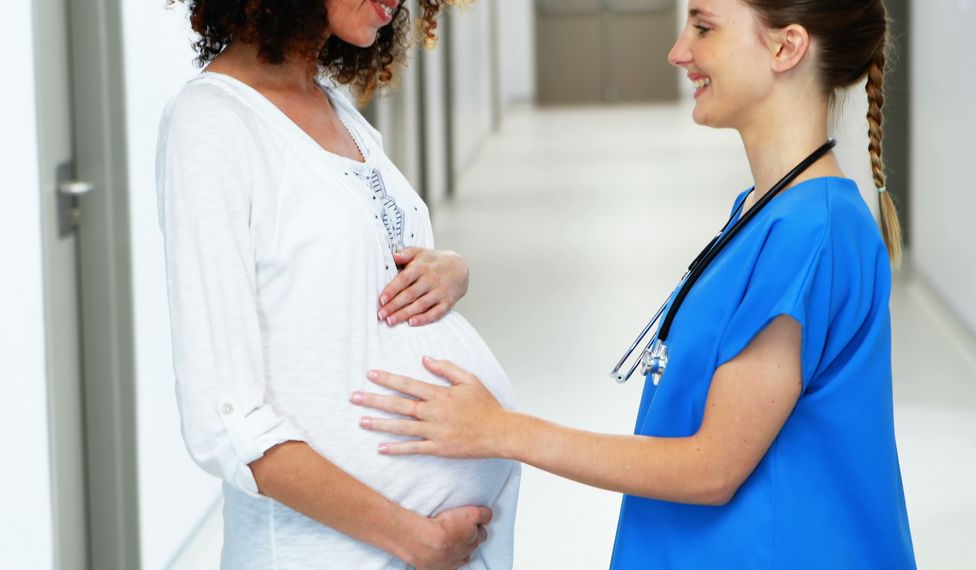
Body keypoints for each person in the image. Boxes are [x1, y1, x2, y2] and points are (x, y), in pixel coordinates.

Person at [351, 0, 917, 567]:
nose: (679, 52)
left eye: (703, 27)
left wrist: (499, 430)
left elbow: (712, 468)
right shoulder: (764, 211)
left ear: (785, 47)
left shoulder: (813, 231)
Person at [156, 1, 519, 568]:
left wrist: (448, 268)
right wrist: (409, 536)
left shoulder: (334, 105)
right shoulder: (212, 124)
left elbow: (354, 269)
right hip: (333, 552)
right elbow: (223, 422)